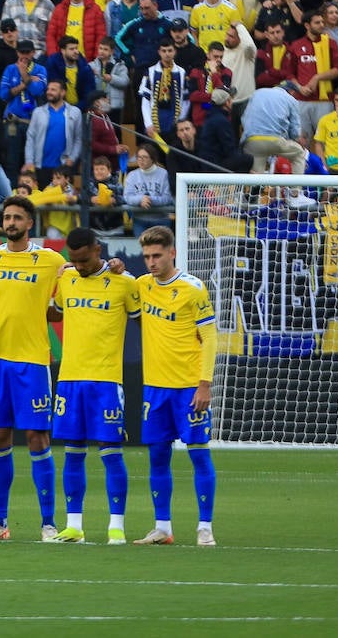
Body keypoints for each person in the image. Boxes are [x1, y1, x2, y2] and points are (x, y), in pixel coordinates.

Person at [0, 195, 65, 541]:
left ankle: (48, 524)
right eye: (7, 217)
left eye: (17, 217)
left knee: (37, 437)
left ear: (29, 224)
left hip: (33, 361)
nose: (10, 223)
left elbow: (78, 280)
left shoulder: (50, 260)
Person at [45, 227, 140, 545]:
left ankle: (116, 526)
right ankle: (74, 526)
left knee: (111, 454)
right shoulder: (67, 280)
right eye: (74, 260)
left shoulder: (124, 283)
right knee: (72, 454)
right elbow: (51, 313)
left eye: (83, 260)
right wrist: (52, 281)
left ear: (97, 250)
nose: (80, 266)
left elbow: (145, 320)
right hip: (70, 380)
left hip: (106, 381)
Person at [133, 225, 218, 547]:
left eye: (157, 255)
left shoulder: (193, 289)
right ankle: (163, 527)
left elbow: (209, 337)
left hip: (187, 388)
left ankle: (205, 527)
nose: (151, 262)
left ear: (172, 253)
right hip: (154, 389)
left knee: (198, 455)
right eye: (146, 257)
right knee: (157, 456)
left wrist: (204, 384)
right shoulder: (142, 285)